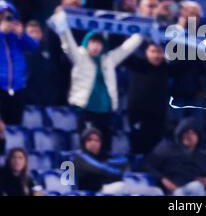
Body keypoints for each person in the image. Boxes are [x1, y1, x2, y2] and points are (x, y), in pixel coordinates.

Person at [49, 9, 143, 152]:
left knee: (105, 147)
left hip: (106, 111)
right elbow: (68, 45)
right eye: (93, 42)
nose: (96, 46)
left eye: (99, 43)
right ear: (87, 42)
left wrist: (143, 31)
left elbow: (126, 48)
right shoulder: (79, 56)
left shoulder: (109, 59)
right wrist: (62, 25)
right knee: (87, 146)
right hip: (86, 109)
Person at [143, 117, 206, 196]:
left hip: (203, 191)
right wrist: (163, 180)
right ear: (180, 134)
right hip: (177, 191)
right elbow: (148, 164)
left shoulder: (203, 156)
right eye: (186, 132)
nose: (189, 136)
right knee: (196, 187)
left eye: (192, 133)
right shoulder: (167, 148)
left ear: (198, 137)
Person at [124, 43, 169, 155]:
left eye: (159, 52)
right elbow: (122, 50)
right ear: (146, 53)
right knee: (137, 149)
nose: (156, 55)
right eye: (153, 51)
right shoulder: (137, 65)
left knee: (156, 150)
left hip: (157, 120)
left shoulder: (166, 69)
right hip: (137, 117)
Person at [0, 1, 38, 125]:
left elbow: (34, 46)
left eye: (9, 17)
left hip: (18, 88)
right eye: (2, 16)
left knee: (15, 128)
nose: (6, 19)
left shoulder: (16, 36)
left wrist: (22, 34)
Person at [73, 127, 127, 192]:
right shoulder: (79, 157)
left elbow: (124, 161)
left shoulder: (104, 156)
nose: (93, 143)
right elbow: (100, 169)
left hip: (103, 190)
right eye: (89, 140)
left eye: (97, 140)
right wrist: (111, 169)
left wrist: (105, 165)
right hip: (87, 193)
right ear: (83, 142)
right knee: (120, 186)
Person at [24, 20, 58, 106]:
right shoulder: (21, 52)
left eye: (37, 32)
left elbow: (53, 76)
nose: (35, 35)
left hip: (47, 102)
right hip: (27, 102)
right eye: (31, 32)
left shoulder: (48, 52)